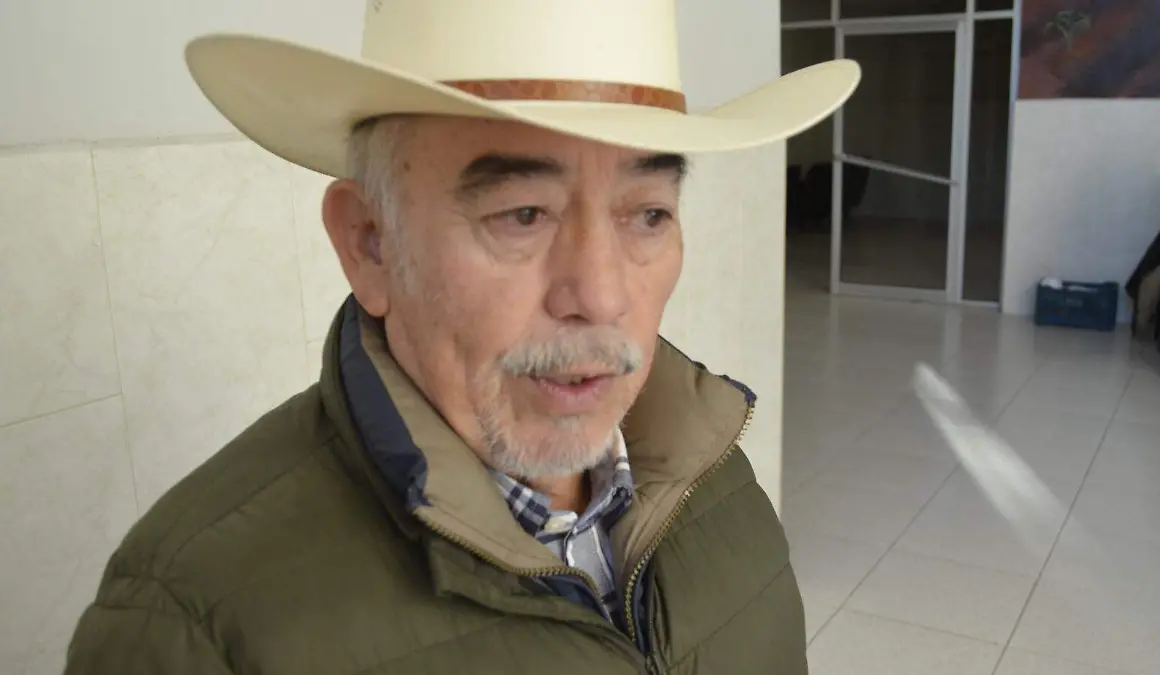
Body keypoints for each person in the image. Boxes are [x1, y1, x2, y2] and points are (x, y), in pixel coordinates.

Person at [64, 1, 859, 673]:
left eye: (648, 213)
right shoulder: (194, 621)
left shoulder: (713, 478)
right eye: (523, 214)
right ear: (371, 243)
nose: (602, 294)